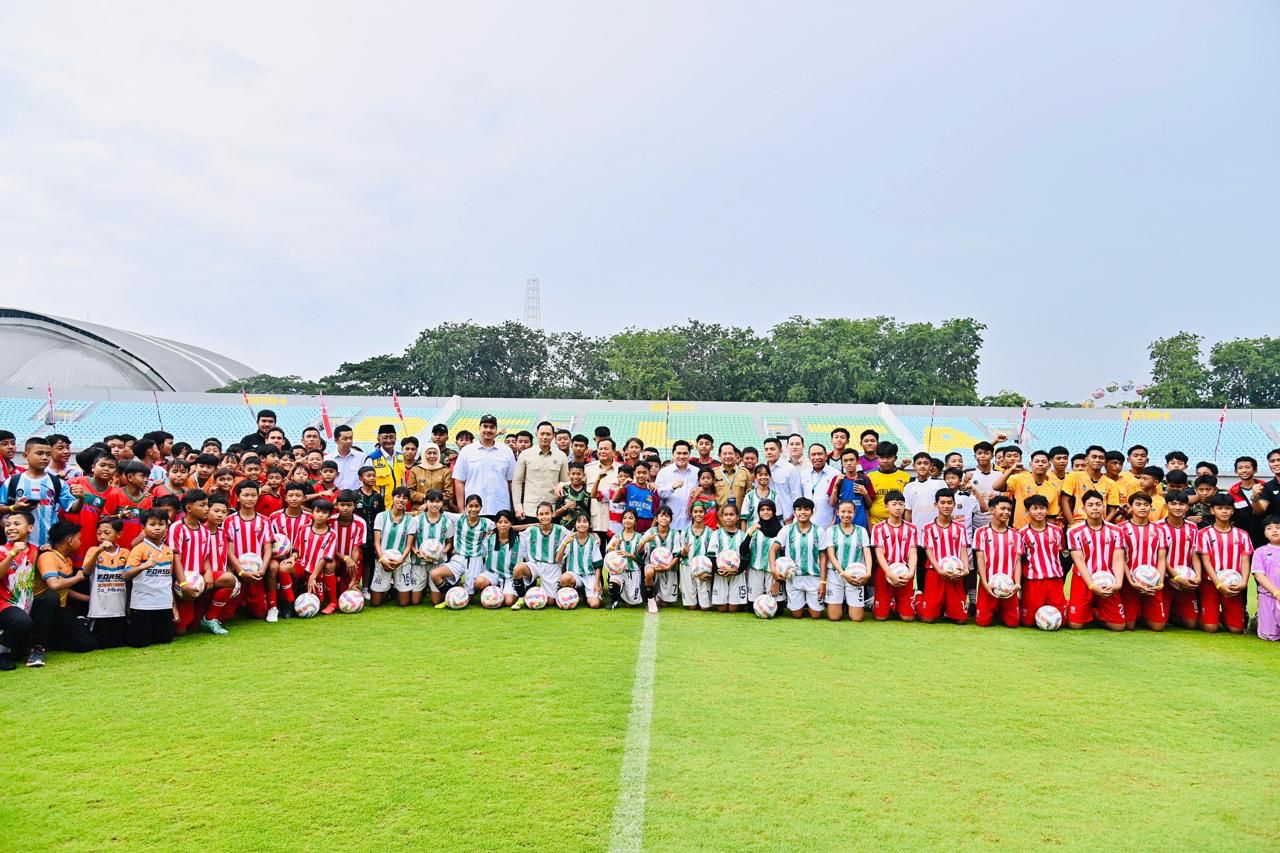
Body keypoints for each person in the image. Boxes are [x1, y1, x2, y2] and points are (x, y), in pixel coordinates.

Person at [29, 520, 97, 663]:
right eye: (79, 538)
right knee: (51, 597)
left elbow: (65, 588)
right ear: (70, 541)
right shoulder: (48, 556)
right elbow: (54, 585)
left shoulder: (67, 561)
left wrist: (89, 599)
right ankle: (37, 647)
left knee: (87, 643)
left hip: (58, 610)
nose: (80, 542)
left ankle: (49, 639)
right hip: (39, 609)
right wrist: (78, 578)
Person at [0, 436, 80, 546]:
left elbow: (73, 509)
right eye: (40, 453)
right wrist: (14, 507)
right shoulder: (12, 482)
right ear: (26, 455)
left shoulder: (58, 483)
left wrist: (81, 498)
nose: (44, 457)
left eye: (48, 454)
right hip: (18, 545)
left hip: (48, 544)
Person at [1066, 491, 1127, 632]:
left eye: (1098, 504)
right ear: (1084, 508)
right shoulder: (1074, 532)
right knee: (1075, 625)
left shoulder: (1116, 531)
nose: (1095, 508)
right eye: (1090, 505)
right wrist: (1092, 585)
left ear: (1103, 506)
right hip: (1083, 580)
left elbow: (1118, 558)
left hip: (1108, 579)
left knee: (1118, 627)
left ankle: (1094, 613)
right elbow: (1079, 561)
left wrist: (1118, 584)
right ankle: (1081, 609)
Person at [1196, 494, 1253, 634]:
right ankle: (1204, 616)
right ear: (1212, 510)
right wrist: (1218, 584)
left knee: (1237, 630)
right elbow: (1205, 560)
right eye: (1220, 508)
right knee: (1210, 628)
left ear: (1232, 510)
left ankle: (1222, 616)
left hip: (1233, 583)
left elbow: (1245, 560)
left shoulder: (1242, 534)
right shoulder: (1204, 533)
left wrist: (1244, 583)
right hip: (1210, 583)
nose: (1224, 511)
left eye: (1227, 508)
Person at [1117, 493, 1168, 631]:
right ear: (1131, 507)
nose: (1143, 508)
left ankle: (1142, 613)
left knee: (1158, 627)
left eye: (1146, 505)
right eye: (1138, 504)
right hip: (1129, 582)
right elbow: (1120, 559)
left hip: (1153, 582)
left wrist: (1160, 583)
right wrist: (1131, 582)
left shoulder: (1159, 530)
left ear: (1151, 507)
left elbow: (1161, 558)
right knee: (1129, 626)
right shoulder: (1120, 529)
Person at [919, 489, 970, 624]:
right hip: (935, 572)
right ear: (936, 505)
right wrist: (939, 570)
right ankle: (919, 599)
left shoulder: (961, 528)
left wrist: (965, 569)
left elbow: (963, 549)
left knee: (961, 620)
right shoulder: (928, 527)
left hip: (955, 573)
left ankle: (948, 608)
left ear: (954, 504)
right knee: (927, 619)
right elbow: (929, 551)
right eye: (942, 503)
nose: (946, 506)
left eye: (949, 503)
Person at [1016, 495, 1067, 627]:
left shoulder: (1057, 531)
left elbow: (1060, 553)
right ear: (1027, 511)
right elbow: (1020, 560)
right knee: (1028, 622)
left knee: (1062, 621)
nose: (1039, 511)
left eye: (1042, 508)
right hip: (1033, 582)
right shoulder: (1021, 534)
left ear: (1047, 510)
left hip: (1054, 580)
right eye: (1035, 508)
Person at [453, 415, 517, 517]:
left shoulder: (506, 451)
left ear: (496, 430)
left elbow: (511, 481)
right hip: (474, 509)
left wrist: (515, 508)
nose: (488, 430)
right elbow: (459, 481)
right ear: (479, 428)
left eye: (492, 427)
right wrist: (461, 510)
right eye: (485, 426)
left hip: (500, 509)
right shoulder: (467, 451)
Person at [771, 497, 824, 620]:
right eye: (799, 509)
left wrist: (823, 582)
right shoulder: (787, 530)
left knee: (816, 616)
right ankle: (801, 606)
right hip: (793, 579)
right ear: (794, 512)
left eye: (807, 509)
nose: (803, 512)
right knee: (797, 615)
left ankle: (810, 606)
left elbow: (823, 558)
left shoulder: (819, 531)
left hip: (813, 578)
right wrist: (774, 570)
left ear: (812, 512)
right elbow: (773, 550)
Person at [432, 494, 490, 605]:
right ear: (465, 507)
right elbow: (439, 511)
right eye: (470, 506)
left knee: (468, 600)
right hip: (458, 558)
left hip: (475, 560)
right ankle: (449, 594)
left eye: (476, 506)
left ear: (481, 507)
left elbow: (504, 526)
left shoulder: (486, 523)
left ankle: (463, 588)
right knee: (435, 574)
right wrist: (425, 505)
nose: (473, 509)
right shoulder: (458, 518)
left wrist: (527, 526)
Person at [226, 481, 271, 620]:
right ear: (238, 498)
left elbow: (268, 548)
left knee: (260, 614)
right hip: (237, 571)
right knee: (227, 615)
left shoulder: (265, 521)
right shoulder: (229, 521)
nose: (250, 498)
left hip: (257, 572)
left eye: (253, 495)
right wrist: (240, 571)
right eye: (246, 495)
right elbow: (229, 551)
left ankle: (251, 604)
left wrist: (263, 570)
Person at [973, 496, 1020, 628]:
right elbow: (980, 559)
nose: (1006, 512)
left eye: (1009, 509)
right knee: (983, 622)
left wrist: (1017, 583)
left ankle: (1002, 611)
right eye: (1002, 508)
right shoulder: (981, 532)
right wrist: (985, 583)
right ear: (992, 510)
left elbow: (1017, 561)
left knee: (1013, 624)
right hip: (988, 584)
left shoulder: (1016, 534)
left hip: (1009, 586)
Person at [169, 490, 212, 636]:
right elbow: (175, 557)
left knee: (228, 580)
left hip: (199, 578)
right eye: (202, 505)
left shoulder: (205, 531)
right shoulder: (177, 527)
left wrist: (208, 572)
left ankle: (210, 618)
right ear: (188, 508)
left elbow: (205, 556)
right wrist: (183, 583)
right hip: (182, 580)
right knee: (181, 630)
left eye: (207, 505)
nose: (207, 509)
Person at [0, 512, 38, 669]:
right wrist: (12, 554)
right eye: (8, 525)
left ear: (30, 528)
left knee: (49, 599)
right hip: (4, 604)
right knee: (22, 622)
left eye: (16, 524)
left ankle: (36, 648)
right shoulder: (2, 550)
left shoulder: (35, 550)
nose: (10, 528)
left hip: (25, 604)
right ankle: (1, 654)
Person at [871, 490, 917, 622]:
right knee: (880, 617)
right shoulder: (878, 528)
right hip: (885, 571)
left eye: (901, 504)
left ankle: (912, 599)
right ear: (886, 506)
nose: (898, 507)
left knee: (908, 618)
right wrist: (889, 573)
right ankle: (885, 603)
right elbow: (879, 553)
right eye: (894, 504)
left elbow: (913, 552)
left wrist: (911, 573)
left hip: (904, 572)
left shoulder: (911, 528)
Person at [823, 499, 871, 622]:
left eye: (850, 512)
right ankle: (840, 605)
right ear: (837, 512)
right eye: (843, 511)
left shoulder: (861, 531)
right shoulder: (831, 530)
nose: (846, 515)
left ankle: (849, 605)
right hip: (835, 574)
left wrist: (868, 573)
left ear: (854, 513)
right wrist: (843, 573)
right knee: (834, 617)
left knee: (857, 618)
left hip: (856, 576)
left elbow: (867, 552)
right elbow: (831, 555)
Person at [513, 501, 569, 605]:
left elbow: (576, 535)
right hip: (535, 564)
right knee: (518, 568)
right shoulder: (530, 531)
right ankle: (521, 597)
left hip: (552, 566)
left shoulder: (561, 530)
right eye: (541, 514)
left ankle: (555, 590)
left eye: (547, 513)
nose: (544, 517)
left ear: (552, 514)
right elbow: (509, 529)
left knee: (550, 602)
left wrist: (593, 534)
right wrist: (530, 524)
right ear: (537, 516)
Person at [373, 487, 420, 607]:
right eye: (398, 496)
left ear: (408, 501)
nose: (401, 500)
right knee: (375, 603)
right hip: (383, 560)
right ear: (392, 498)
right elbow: (376, 542)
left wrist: (400, 560)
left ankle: (394, 589)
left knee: (404, 603)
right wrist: (382, 559)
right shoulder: (381, 516)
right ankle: (389, 590)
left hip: (402, 562)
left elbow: (409, 545)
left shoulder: (411, 521)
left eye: (405, 498)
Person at [512, 421, 569, 520]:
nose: (545, 437)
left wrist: (561, 485)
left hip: (552, 509)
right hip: (530, 509)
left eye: (548, 434)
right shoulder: (525, 455)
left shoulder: (561, 456)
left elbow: (566, 481)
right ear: (536, 434)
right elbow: (517, 482)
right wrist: (518, 507)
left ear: (553, 436)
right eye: (542, 434)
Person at [298, 500, 340, 614]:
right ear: (312, 512)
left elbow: (326, 557)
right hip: (301, 566)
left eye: (324, 512)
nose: (320, 515)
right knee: (284, 568)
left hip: (317, 569)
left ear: (329, 516)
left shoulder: (332, 534)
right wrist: (292, 557)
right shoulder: (303, 528)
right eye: (317, 511)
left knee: (318, 600)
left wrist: (313, 576)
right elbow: (296, 548)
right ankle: (287, 602)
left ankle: (333, 602)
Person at [553, 512, 603, 608]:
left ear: (589, 525)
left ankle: (585, 594)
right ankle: (573, 593)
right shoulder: (569, 538)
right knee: (564, 578)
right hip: (574, 575)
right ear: (575, 524)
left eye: (585, 522)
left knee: (595, 604)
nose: (581, 524)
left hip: (590, 576)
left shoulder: (594, 540)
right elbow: (558, 559)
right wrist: (564, 543)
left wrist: (597, 583)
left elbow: (598, 565)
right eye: (579, 522)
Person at [637, 506, 682, 610]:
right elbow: (638, 551)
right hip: (652, 565)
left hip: (669, 567)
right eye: (661, 515)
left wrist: (668, 566)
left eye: (667, 516)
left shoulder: (675, 533)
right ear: (656, 518)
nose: (664, 518)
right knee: (649, 572)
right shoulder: (650, 532)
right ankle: (650, 598)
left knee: (664, 604)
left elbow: (677, 554)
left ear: (670, 520)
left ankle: (657, 594)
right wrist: (644, 541)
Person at [1060, 446, 1116, 526]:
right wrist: (1072, 525)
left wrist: (1103, 525)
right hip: (1078, 522)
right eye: (1094, 457)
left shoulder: (1111, 483)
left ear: (1104, 462)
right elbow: (1064, 501)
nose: (1097, 460)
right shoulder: (1074, 476)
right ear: (1086, 460)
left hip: (1100, 524)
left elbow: (1113, 510)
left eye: (1101, 458)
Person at [709, 502, 748, 613]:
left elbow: (746, 557)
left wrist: (738, 571)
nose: (728, 517)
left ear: (737, 517)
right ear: (722, 517)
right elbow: (711, 555)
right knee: (722, 609)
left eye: (732, 514)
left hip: (737, 573)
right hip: (721, 573)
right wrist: (717, 570)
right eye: (726, 514)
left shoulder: (743, 535)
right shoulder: (716, 534)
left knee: (732, 609)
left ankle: (741, 603)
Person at [655, 440, 700, 531]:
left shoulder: (697, 472)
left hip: (691, 525)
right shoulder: (664, 472)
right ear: (673, 454)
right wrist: (672, 488)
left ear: (689, 454)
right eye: (678, 453)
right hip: (668, 525)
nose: (682, 456)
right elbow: (659, 494)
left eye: (685, 453)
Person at [476, 510, 519, 606]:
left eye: (506, 522)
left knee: (508, 602)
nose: (503, 525)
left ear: (511, 523)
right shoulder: (489, 537)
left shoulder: (519, 539)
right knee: (479, 582)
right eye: (500, 522)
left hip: (510, 577)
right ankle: (494, 590)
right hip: (492, 574)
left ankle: (506, 591)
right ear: (496, 524)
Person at [607, 508, 646, 609]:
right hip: (618, 572)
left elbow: (642, 561)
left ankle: (622, 596)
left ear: (635, 521)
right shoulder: (617, 536)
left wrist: (629, 555)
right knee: (613, 585)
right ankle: (614, 599)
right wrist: (613, 545)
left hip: (633, 571)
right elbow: (607, 555)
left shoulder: (639, 537)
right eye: (625, 518)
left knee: (631, 604)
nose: (627, 520)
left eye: (630, 518)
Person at [866, 443, 911, 528]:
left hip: (898, 526)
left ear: (895, 458)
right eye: (881, 457)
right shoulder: (869, 477)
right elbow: (866, 505)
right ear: (877, 458)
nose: (885, 461)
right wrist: (870, 528)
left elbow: (908, 506)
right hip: (875, 525)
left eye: (888, 457)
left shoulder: (906, 477)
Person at [829, 449, 874, 530]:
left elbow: (869, 505)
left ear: (857, 461)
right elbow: (832, 503)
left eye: (851, 460)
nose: (849, 463)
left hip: (860, 524)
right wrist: (835, 486)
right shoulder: (837, 479)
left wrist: (865, 494)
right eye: (845, 461)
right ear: (842, 463)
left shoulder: (865, 479)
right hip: (840, 524)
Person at [1251, 515, 1280, 641]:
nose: (1274, 530)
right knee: (1269, 635)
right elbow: (1259, 575)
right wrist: (1276, 593)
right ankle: (1258, 619)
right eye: (1269, 528)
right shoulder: (1260, 552)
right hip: (1268, 596)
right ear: (1264, 533)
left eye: (1278, 527)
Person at [362, 424, 405, 506]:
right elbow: (365, 484)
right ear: (378, 439)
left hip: (397, 505)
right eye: (385, 438)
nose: (389, 440)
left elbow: (403, 483)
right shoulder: (372, 459)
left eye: (391, 437)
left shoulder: (400, 457)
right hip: (379, 506)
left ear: (395, 439)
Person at [800, 444, 838, 529]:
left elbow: (839, 502)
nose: (817, 457)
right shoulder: (803, 474)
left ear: (826, 456)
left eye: (820, 454)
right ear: (809, 457)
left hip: (827, 524)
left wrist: (834, 522)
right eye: (813, 455)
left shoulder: (835, 474)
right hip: (806, 523)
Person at [763, 437, 801, 522]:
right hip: (765, 517)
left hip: (786, 518)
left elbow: (796, 495)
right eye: (766, 449)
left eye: (772, 449)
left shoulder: (790, 469)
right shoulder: (761, 470)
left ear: (780, 451)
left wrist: (793, 517)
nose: (769, 452)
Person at [407, 443, 453, 511]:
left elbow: (449, 493)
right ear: (423, 454)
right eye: (429, 453)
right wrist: (426, 497)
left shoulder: (445, 471)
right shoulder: (415, 470)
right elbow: (410, 492)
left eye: (435, 453)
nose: (432, 456)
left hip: (440, 510)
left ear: (439, 454)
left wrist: (431, 502)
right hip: (419, 509)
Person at [554, 462, 592, 529]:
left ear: (583, 475)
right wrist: (566, 507)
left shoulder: (588, 491)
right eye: (573, 474)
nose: (576, 477)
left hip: (582, 528)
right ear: (568, 474)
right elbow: (556, 514)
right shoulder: (563, 490)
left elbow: (590, 513)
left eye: (579, 474)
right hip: (565, 528)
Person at [713, 443, 750, 510]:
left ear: (736, 455)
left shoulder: (745, 473)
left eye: (730, 453)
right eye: (724, 454)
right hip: (720, 515)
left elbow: (750, 496)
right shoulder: (714, 473)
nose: (727, 456)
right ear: (719, 456)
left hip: (740, 515)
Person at [327, 425, 364, 491]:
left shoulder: (362, 457)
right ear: (336, 440)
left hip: (356, 495)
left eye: (351, 438)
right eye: (345, 439)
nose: (349, 441)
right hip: (334, 495)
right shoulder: (327, 459)